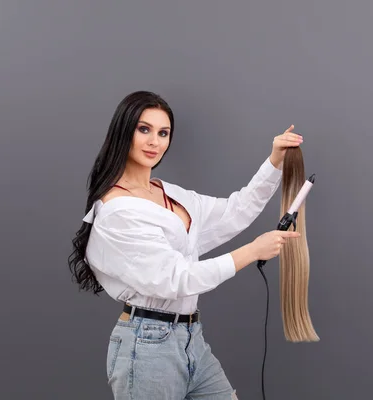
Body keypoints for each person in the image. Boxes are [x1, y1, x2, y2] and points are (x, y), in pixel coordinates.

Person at [68, 90, 303, 399]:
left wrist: (274, 163)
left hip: (191, 337)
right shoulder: (117, 211)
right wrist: (251, 252)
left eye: (163, 133)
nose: (155, 141)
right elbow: (176, 279)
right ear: (123, 131)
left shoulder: (170, 194)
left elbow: (236, 211)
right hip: (147, 346)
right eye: (144, 129)